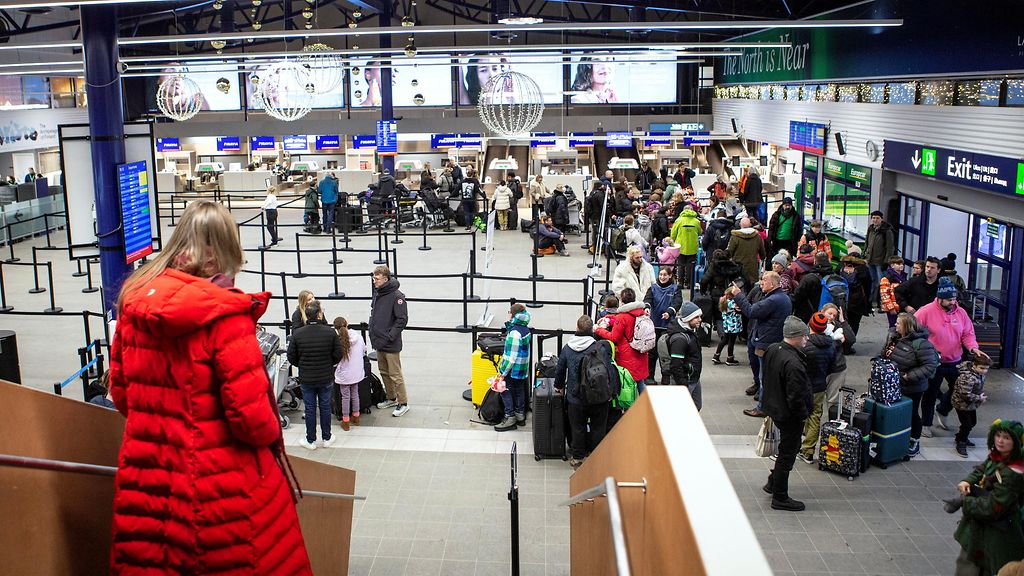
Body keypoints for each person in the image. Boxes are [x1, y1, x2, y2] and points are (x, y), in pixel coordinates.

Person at [107, 200, 311, 574]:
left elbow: (120, 394)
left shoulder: (134, 303)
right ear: (218, 256)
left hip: (148, 477)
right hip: (218, 486)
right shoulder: (225, 317)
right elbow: (251, 421)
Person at [946, 419, 1024, 576]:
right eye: (998, 435)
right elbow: (983, 468)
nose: (1000, 441)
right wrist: (967, 480)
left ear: (1016, 442)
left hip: (997, 535)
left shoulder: (1014, 472)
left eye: (1007, 438)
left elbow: (993, 508)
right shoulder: (998, 456)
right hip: (979, 530)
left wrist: (964, 501)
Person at [916, 277, 988, 438]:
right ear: (940, 298)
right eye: (949, 299)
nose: (953, 302)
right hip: (934, 363)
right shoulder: (925, 312)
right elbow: (914, 332)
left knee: (959, 389)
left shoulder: (961, 313)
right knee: (930, 394)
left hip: (955, 360)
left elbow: (967, 334)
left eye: (954, 299)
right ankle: (926, 424)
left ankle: (942, 409)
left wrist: (973, 348)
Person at [761, 316, 813, 512]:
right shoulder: (794, 363)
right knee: (787, 453)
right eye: (804, 336)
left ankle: (772, 483)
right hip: (789, 414)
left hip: (774, 406)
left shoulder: (774, 349)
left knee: (785, 449)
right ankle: (780, 496)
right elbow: (796, 395)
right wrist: (802, 415)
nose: (807, 340)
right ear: (796, 337)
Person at [556, 315, 615, 468]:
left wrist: (559, 387)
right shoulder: (599, 347)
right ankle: (597, 456)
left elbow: (560, 371)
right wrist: (611, 392)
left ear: (577, 328)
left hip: (576, 398)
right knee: (598, 427)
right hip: (598, 397)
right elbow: (609, 370)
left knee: (578, 428)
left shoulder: (568, 348)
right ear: (591, 330)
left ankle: (578, 457)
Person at [879, 313, 939, 458]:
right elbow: (885, 353)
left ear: (906, 326)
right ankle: (897, 438)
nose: (895, 325)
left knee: (912, 414)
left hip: (912, 387)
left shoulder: (921, 344)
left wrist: (909, 376)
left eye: (898, 323)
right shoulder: (895, 338)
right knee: (896, 412)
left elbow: (930, 365)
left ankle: (914, 440)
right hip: (894, 384)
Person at [734, 271, 792, 417]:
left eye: (764, 280)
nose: (761, 283)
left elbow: (752, 311)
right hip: (768, 340)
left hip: (766, 343)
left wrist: (738, 295)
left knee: (764, 377)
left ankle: (763, 408)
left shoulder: (773, 300)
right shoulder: (779, 297)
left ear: (772, 284)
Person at [288, 300, 343, 450]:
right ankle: (327, 437)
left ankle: (310, 440)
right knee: (325, 407)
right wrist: (328, 363)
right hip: (325, 376)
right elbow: (338, 354)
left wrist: (303, 365)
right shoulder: (330, 332)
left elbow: (291, 356)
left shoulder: (298, 334)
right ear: (319, 314)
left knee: (310, 409)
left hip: (307, 377)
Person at [797, 312, 842, 465]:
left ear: (810, 325)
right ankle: (808, 451)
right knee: (815, 416)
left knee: (798, 416)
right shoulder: (830, 344)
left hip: (803, 386)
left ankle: (796, 446)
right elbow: (832, 367)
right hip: (819, 386)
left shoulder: (804, 345)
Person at [369, 265, 410, 417]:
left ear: (385, 279)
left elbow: (402, 319)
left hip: (390, 342)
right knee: (384, 372)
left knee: (395, 374)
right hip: (379, 341)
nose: (374, 281)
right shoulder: (378, 293)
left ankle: (403, 402)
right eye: (373, 278)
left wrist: (390, 336)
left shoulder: (396, 296)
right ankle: (391, 397)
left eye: (377, 279)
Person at [594, 287, 649, 388]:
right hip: (640, 352)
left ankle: (629, 404)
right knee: (640, 382)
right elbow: (629, 322)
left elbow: (614, 337)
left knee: (626, 385)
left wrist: (598, 329)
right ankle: (644, 402)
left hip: (627, 355)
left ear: (622, 301)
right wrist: (610, 318)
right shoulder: (640, 312)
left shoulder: (622, 317)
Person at [658, 301, 704, 409]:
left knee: (696, 406)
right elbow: (676, 365)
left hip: (693, 378)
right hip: (686, 380)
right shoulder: (680, 339)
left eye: (700, 316)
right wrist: (683, 384)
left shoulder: (689, 331)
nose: (700, 320)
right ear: (688, 319)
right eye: (696, 317)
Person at [495, 304, 532, 432]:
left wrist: (502, 372)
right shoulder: (524, 329)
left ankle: (509, 416)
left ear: (513, 314)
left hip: (513, 369)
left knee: (505, 390)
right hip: (522, 368)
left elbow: (511, 357)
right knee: (519, 390)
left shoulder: (514, 332)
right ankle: (520, 415)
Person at [644, 267, 682, 378]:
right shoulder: (653, 288)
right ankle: (650, 376)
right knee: (651, 353)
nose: (662, 277)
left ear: (670, 276)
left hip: (668, 326)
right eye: (660, 274)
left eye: (665, 275)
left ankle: (666, 376)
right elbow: (648, 299)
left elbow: (677, 302)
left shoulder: (675, 288)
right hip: (654, 325)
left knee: (665, 353)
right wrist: (646, 307)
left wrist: (669, 312)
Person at [953, 354, 993, 458]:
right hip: (961, 404)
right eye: (982, 368)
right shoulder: (968, 377)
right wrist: (979, 398)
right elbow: (965, 394)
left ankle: (961, 436)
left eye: (986, 369)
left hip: (970, 404)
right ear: (974, 365)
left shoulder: (978, 374)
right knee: (967, 424)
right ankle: (961, 442)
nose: (984, 371)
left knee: (972, 422)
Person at [333, 316, 366, 431]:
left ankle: (345, 420)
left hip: (345, 374)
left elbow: (335, 358)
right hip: (356, 371)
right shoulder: (358, 337)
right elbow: (363, 351)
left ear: (336, 329)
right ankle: (356, 416)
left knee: (345, 396)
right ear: (347, 324)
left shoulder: (338, 341)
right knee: (355, 393)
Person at [864, 210, 896, 307]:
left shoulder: (887, 231)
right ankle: (871, 301)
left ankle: (883, 303)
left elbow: (890, 248)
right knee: (872, 281)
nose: (875, 220)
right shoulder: (871, 229)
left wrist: (886, 261)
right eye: (873, 218)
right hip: (870, 260)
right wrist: (864, 253)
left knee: (882, 283)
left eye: (877, 218)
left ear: (881, 219)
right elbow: (867, 242)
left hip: (880, 261)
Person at [791, 251, 833, 322]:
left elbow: (796, 297)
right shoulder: (833, 277)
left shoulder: (809, 278)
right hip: (826, 316)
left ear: (815, 261)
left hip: (806, 315)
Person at [838, 252, 872, 339]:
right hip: (857, 300)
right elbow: (868, 287)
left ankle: (841, 341)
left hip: (842, 297)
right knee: (855, 323)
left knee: (841, 321)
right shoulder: (863, 269)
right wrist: (868, 304)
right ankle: (850, 342)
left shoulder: (841, 266)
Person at [727, 216, 767, 287]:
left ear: (740, 225)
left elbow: (729, 252)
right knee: (751, 290)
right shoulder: (757, 236)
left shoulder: (735, 237)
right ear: (750, 224)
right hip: (752, 269)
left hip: (738, 269)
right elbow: (763, 254)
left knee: (738, 290)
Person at [670, 204, 701, 288]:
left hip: (680, 246)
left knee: (680, 265)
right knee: (690, 266)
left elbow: (673, 234)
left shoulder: (678, 220)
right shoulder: (696, 221)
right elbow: (699, 232)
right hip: (692, 246)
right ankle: (689, 283)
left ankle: (680, 283)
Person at [713, 285, 743, 366]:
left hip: (726, 325)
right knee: (731, 342)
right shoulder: (733, 303)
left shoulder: (724, 301)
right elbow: (741, 308)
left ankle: (716, 355)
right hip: (733, 326)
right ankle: (730, 358)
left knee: (724, 340)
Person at [880, 256, 908, 328]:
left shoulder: (904, 277)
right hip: (893, 308)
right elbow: (884, 295)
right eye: (898, 264)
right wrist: (891, 308)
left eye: (902, 264)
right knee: (893, 327)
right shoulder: (886, 278)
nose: (901, 265)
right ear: (892, 265)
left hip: (902, 306)